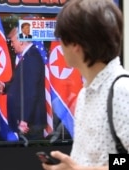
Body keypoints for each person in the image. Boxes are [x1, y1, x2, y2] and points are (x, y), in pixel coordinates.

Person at [42, 0, 129, 170]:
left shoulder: (122, 91)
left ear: (76, 44)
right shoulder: (85, 93)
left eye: (62, 39)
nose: (59, 45)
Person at [0, 27, 46, 140]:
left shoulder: (32, 58)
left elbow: (31, 91)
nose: (11, 45)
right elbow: (20, 84)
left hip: (29, 124)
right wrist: (4, 86)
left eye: (12, 41)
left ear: (21, 41)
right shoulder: (28, 57)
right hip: (27, 122)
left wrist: (25, 119)